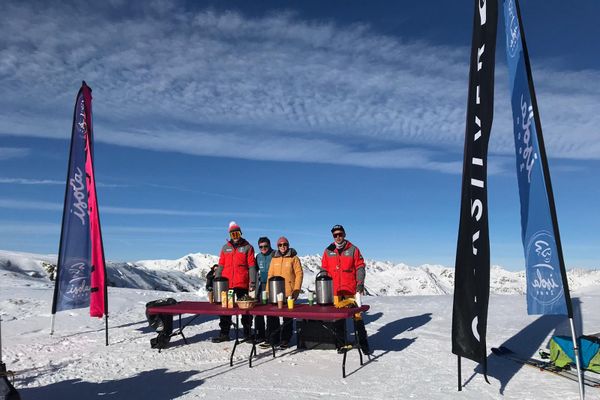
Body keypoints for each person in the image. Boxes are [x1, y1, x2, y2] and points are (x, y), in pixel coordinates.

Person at [320, 224, 371, 355]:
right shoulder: (328, 251)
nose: (338, 237)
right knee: (338, 318)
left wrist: (360, 283)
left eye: (340, 234)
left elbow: (360, 267)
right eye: (335, 235)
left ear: (344, 234)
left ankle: (364, 345)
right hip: (335, 291)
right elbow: (324, 269)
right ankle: (341, 344)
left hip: (351, 290)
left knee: (357, 316)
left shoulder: (353, 249)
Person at [211, 221, 257, 343]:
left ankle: (248, 333)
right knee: (225, 309)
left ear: (240, 233)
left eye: (237, 234)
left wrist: (252, 282)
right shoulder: (225, 248)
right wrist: (217, 280)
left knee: (245, 310)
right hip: (227, 284)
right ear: (230, 235)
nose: (235, 237)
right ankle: (224, 333)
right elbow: (221, 265)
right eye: (233, 234)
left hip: (242, 283)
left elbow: (252, 266)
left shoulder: (248, 247)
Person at [260, 236, 303, 350]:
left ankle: (285, 339)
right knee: (271, 316)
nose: (283, 247)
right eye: (280, 245)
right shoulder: (274, 258)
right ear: (277, 246)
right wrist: (268, 290)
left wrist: (296, 290)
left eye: (285, 244)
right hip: (275, 292)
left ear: (288, 245)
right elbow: (270, 275)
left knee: (287, 317)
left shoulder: (294, 258)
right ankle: (271, 339)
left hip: (289, 292)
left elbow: (299, 274)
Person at [254, 236, 273, 343]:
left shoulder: (274, 254)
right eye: (261, 247)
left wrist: (292, 251)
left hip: (273, 284)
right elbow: (254, 270)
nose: (264, 248)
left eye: (266, 246)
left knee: (271, 310)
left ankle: (271, 335)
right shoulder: (258, 257)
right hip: (262, 285)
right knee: (259, 310)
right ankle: (260, 334)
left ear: (269, 245)